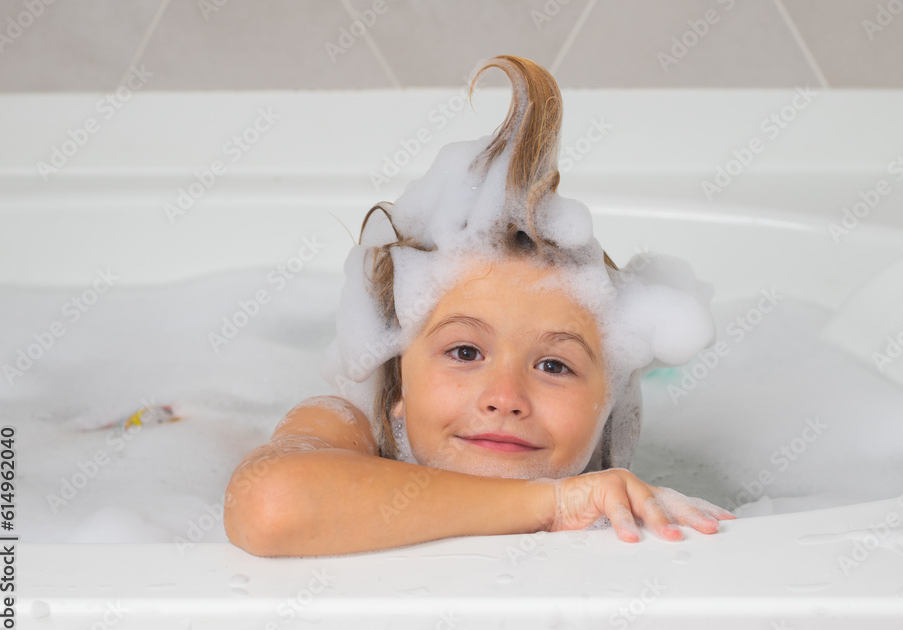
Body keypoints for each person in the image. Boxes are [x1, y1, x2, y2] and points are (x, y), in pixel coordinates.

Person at [224, 55, 736, 557]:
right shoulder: (350, 428)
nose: (505, 398)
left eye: (554, 365)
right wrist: (553, 503)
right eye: (465, 352)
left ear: (610, 402)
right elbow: (270, 505)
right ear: (397, 384)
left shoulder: (613, 483)